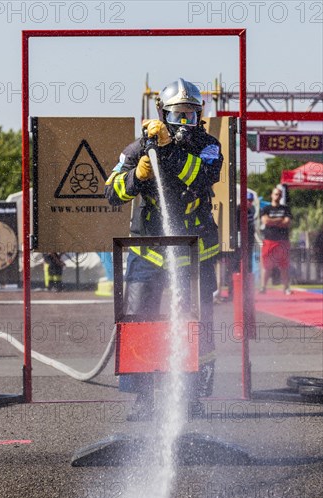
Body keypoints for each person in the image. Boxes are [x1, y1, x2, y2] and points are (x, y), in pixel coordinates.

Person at [105, 78, 223, 421]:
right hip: (149, 251)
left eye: (190, 115)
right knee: (139, 322)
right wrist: (135, 178)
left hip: (195, 251)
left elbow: (200, 178)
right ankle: (143, 398)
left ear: (199, 115)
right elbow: (112, 193)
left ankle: (191, 397)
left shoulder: (208, 145)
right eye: (177, 115)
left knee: (196, 324)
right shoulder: (137, 149)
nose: (184, 122)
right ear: (162, 114)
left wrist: (169, 146)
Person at [259, 187, 293, 295]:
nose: (277, 196)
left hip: (283, 241)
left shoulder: (285, 209)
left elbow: (287, 222)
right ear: (272, 195)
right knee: (266, 266)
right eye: (275, 194)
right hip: (269, 241)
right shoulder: (266, 209)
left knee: (284, 266)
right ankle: (263, 287)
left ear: (281, 196)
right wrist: (279, 220)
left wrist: (272, 221)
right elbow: (265, 221)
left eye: (279, 194)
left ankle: (286, 288)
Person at [227, 191, 257, 300]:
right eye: (247, 200)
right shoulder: (238, 209)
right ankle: (232, 292)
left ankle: (247, 293)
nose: (249, 202)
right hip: (238, 243)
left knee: (248, 266)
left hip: (249, 243)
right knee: (235, 266)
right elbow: (234, 226)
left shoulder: (252, 210)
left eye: (251, 200)